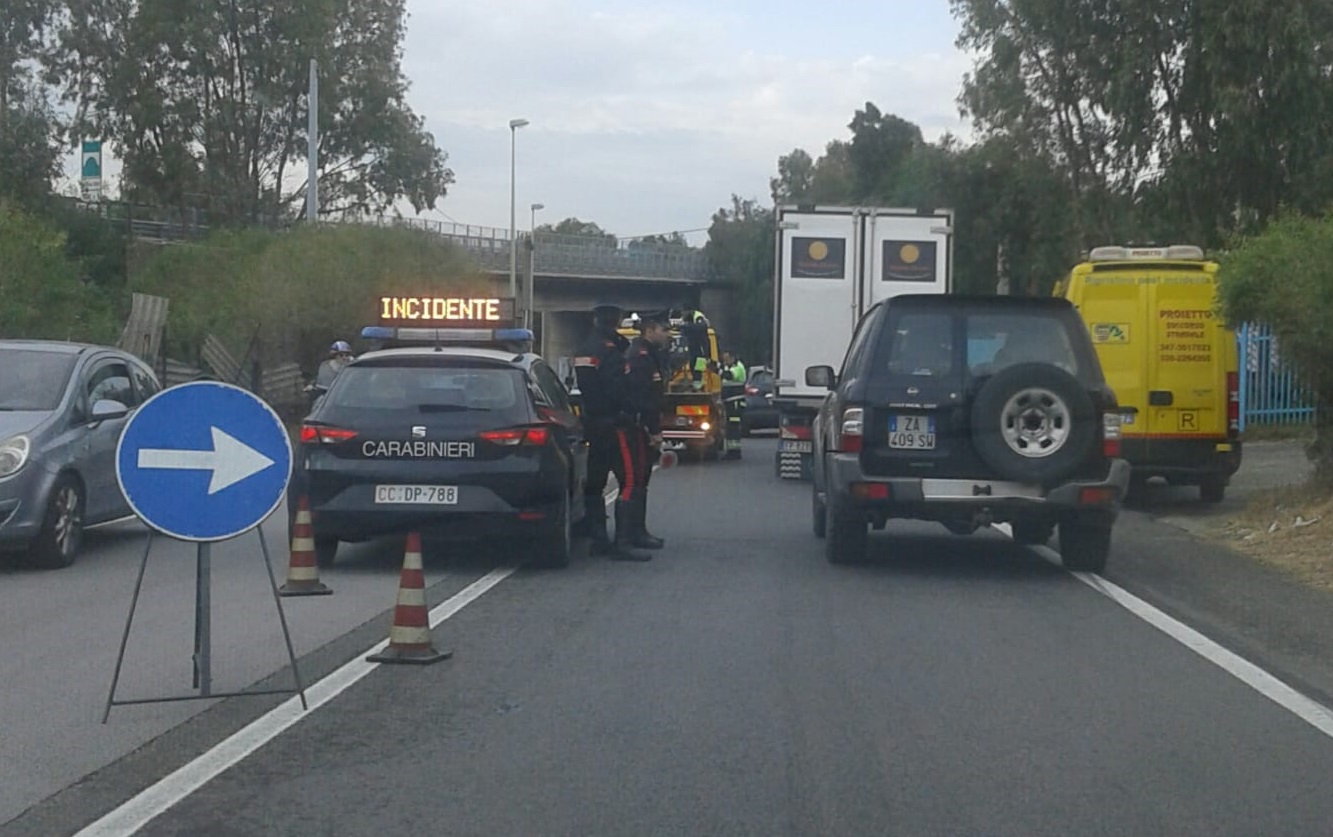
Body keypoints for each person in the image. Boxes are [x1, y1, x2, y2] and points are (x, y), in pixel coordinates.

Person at [572, 303, 650, 561]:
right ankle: (623, 542)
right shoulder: (612, 351)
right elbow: (617, 388)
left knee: (595, 482)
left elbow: (588, 389)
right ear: (615, 321)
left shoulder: (586, 348)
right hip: (615, 426)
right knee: (629, 480)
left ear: (595, 321)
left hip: (593, 425)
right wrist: (626, 413)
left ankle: (599, 540)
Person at [624, 311, 673, 549]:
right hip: (638, 427)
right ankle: (631, 535)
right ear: (650, 329)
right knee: (636, 479)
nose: (667, 334)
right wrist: (653, 431)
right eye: (664, 330)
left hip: (641, 425)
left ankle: (637, 531)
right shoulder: (640, 357)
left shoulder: (649, 355)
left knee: (642, 479)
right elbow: (644, 398)